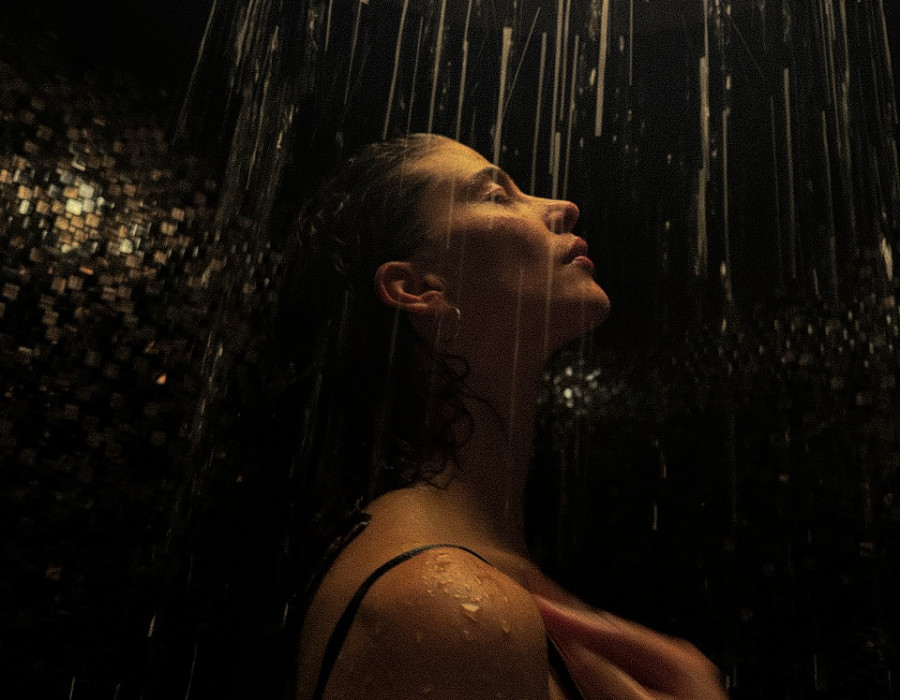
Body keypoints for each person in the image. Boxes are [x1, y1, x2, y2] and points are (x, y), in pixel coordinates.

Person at [283, 133, 728, 699]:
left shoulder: (476, 568)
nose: (561, 207)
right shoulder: (440, 601)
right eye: (496, 195)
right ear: (416, 287)